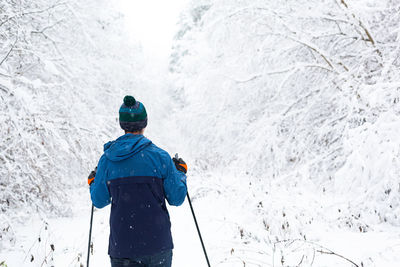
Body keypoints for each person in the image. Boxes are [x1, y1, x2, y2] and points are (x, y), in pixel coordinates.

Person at [88, 95, 188, 267]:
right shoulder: (160, 157)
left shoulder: (108, 160)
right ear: (145, 123)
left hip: (123, 247)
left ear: (121, 124)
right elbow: (177, 198)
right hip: (158, 246)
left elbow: (99, 200)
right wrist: (180, 173)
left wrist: (93, 181)